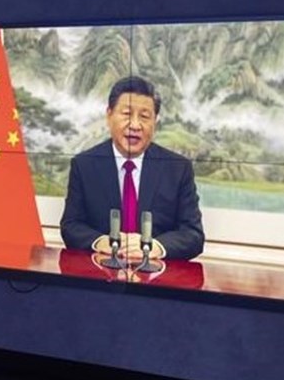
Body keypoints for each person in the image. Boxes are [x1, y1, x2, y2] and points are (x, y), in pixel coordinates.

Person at [60, 76, 204, 260]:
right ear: (109, 115)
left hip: (156, 273)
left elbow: (193, 235)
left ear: (155, 121)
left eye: (144, 117)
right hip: (102, 272)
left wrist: (156, 246)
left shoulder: (178, 169)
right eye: (127, 114)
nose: (135, 125)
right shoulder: (84, 165)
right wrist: (100, 242)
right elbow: (71, 226)